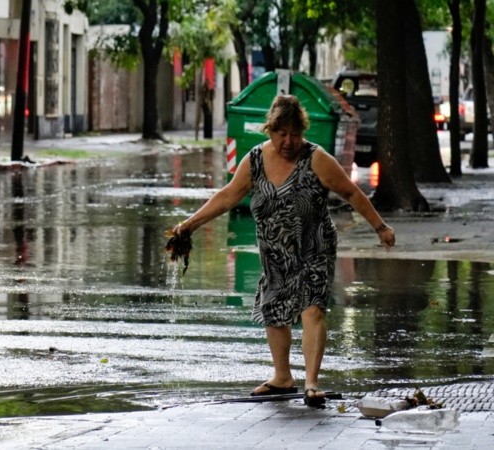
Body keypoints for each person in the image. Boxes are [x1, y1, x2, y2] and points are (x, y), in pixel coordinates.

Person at [170, 94, 396, 407]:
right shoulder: (255, 161)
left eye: (295, 134)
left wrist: (380, 227)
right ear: (270, 130)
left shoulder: (316, 159)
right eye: (282, 133)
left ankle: (312, 382)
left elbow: (351, 192)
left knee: (312, 307)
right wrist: (188, 225)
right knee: (275, 311)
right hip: (274, 251)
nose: (289, 141)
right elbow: (226, 197)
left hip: (313, 246)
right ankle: (282, 377)